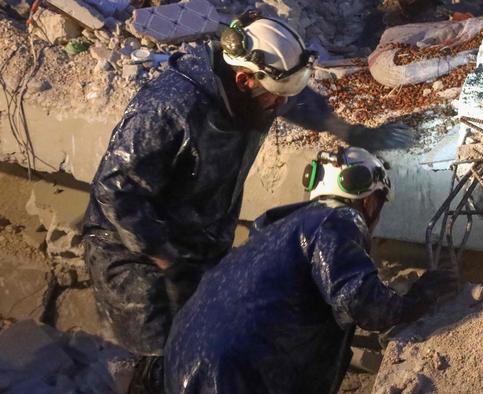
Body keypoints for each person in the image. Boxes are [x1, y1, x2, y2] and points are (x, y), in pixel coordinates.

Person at [81, 10, 411, 358]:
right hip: (134, 252)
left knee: (209, 347)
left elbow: (299, 101)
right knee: (160, 355)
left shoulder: (260, 89)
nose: (281, 105)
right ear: (244, 79)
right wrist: (167, 261)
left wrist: (355, 133)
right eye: (275, 96)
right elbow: (116, 190)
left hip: (198, 245)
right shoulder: (171, 107)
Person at [163, 147, 459, 394]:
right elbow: (363, 302)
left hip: (181, 353)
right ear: (369, 201)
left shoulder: (277, 228)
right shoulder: (338, 221)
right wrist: (418, 298)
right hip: (231, 370)